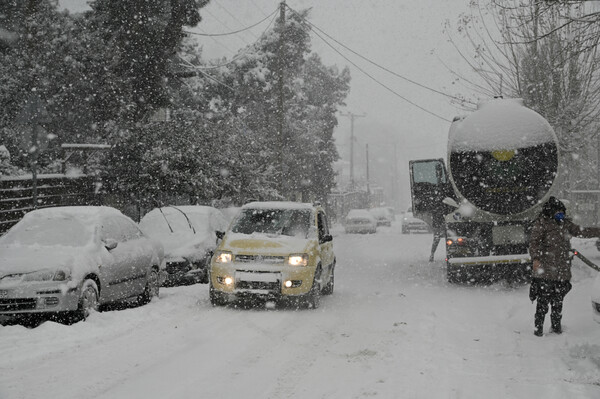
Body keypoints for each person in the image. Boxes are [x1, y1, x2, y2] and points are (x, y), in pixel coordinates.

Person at [529, 196, 600, 337]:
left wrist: (598, 231)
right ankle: (538, 330)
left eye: (563, 212)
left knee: (558, 302)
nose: (561, 214)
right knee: (543, 302)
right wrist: (536, 259)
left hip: (561, 271)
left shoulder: (565, 224)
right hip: (546, 271)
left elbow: (582, 231)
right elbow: (534, 243)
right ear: (551, 212)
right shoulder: (541, 224)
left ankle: (556, 328)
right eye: (558, 212)